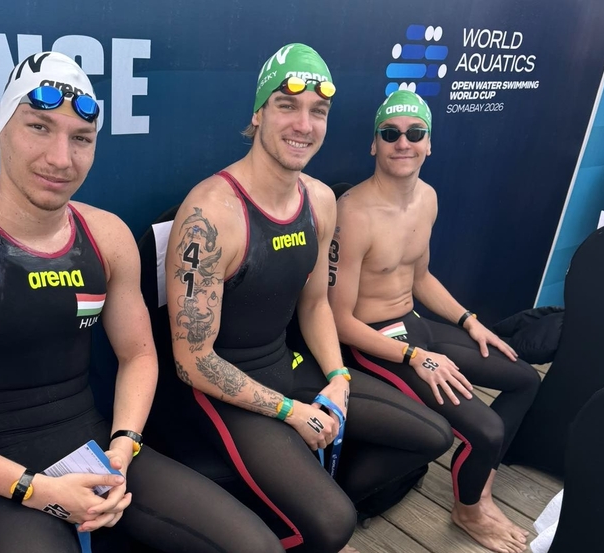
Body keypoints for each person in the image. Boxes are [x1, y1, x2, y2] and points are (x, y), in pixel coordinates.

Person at [0, 51, 285, 553]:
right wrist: (38, 491)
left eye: (81, 138)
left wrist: (124, 445)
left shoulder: (107, 237)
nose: (60, 158)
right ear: (2, 126)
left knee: (256, 547)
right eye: (39, 127)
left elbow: (139, 356)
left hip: (97, 449)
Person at [164, 44, 453, 553]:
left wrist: (339, 376)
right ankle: (319, 518)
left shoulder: (319, 200)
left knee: (433, 435)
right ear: (258, 113)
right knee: (334, 523)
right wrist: (290, 412)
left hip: (288, 364)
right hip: (220, 390)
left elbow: (316, 304)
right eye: (287, 105)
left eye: (317, 111)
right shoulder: (210, 213)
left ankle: (318, 511)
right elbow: (193, 361)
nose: (304, 124)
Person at [327, 90, 541, 553]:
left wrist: (469, 320)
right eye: (390, 134)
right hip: (376, 343)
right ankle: (469, 511)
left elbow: (420, 277)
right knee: (486, 430)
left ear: (429, 144)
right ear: (374, 145)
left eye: (415, 133)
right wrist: (415, 357)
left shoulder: (427, 198)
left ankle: (480, 484)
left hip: (415, 324)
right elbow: (339, 321)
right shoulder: (353, 214)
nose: (402, 142)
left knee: (525, 379)